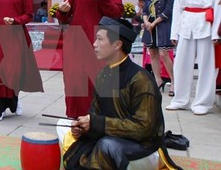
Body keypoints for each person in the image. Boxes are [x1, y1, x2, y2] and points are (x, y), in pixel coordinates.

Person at [64, 17, 168, 170]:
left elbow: (144, 128)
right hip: (112, 136)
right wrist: (84, 127)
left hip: (142, 146)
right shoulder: (104, 74)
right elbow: (95, 113)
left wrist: (97, 123)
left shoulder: (141, 80)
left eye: (99, 39)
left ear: (117, 45)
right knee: (65, 130)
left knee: (106, 146)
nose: (94, 44)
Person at [56, 0, 123, 118]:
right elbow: (63, 17)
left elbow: (116, 13)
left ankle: (102, 119)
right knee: (75, 80)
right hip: (77, 41)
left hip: (102, 42)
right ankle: (75, 118)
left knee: (100, 81)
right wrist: (63, 11)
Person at [167, 0, 221, 115]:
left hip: (206, 22)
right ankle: (180, 99)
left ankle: (203, 102)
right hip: (186, 23)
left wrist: (216, 32)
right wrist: (174, 32)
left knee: (206, 64)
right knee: (181, 63)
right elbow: (177, 7)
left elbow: (217, 5)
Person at [141, 0, 175, 96]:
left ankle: (173, 81)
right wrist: (146, 22)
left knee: (164, 54)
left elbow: (168, 11)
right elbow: (144, 11)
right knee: (153, 54)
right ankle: (157, 80)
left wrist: (154, 23)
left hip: (162, 26)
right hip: (150, 28)